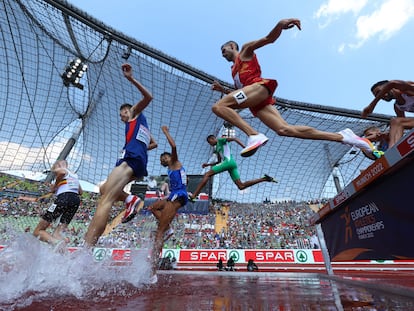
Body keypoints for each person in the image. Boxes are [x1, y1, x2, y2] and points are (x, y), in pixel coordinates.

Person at [211, 18, 378, 158]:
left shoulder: (245, 51)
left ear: (232, 46)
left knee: (219, 106)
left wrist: (280, 25)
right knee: (284, 129)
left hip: (259, 88)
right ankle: (345, 137)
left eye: (223, 50)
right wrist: (223, 91)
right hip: (255, 100)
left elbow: (269, 39)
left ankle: (253, 135)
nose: (222, 54)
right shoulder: (233, 72)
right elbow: (241, 94)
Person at [84, 63, 153, 247]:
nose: (122, 117)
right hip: (137, 161)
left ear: (127, 110)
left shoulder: (134, 114)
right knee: (104, 189)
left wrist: (130, 78)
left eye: (122, 114)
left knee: (106, 200)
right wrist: (139, 149)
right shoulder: (142, 126)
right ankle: (130, 198)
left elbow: (148, 97)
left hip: (129, 159)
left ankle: (86, 248)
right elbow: (153, 143)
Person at [146, 125, 189, 282]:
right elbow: (183, 179)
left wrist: (165, 132)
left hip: (179, 196)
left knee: (158, 234)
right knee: (152, 207)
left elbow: (174, 146)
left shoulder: (174, 162)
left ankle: (152, 272)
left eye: (163, 157)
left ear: (169, 158)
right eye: (161, 160)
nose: (162, 160)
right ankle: (169, 229)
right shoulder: (172, 169)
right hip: (176, 195)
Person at [188, 134, 277, 201]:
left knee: (207, 174)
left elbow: (234, 138)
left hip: (228, 162)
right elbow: (219, 162)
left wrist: (245, 147)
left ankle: (194, 195)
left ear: (212, 139)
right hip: (231, 164)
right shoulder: (217, 148)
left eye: (209, 142)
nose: (210, 144)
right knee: (241, 186)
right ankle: (264, 179)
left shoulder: (220, 140)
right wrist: (208, 165)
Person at [33, 159, 82, 246]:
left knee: (38, 231)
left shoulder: (60, 169)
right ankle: (62, 248)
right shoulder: (74, 175)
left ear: (58, 165)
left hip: (63, 198)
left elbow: (62, 173)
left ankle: (56, 243)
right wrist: (59, 186)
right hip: (75, 200)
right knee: (57, 233)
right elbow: (80, 192)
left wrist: (55, 186)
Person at [362, 80, 414, 148]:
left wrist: (372, 105)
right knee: (396, 121)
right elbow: (402, 126)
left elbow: (393, 83)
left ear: (387, 87)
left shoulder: (407, 90)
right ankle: (393, 151)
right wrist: (385, 135)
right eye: (377, 96)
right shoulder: (397, 107)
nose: (381, 97)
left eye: (379, 92)